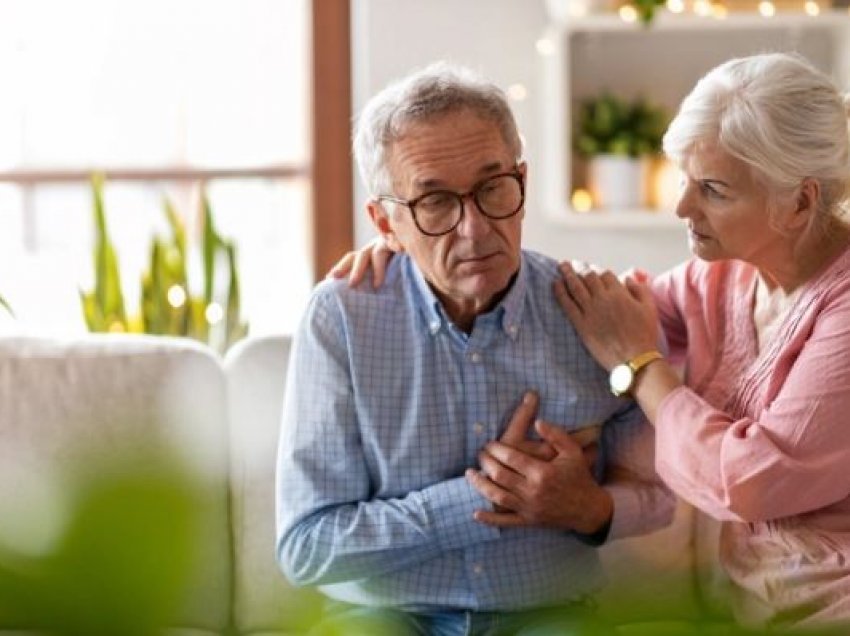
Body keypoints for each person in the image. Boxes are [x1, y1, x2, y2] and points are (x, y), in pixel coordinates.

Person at [333, 52, 850, 630]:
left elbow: (750, 482)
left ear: (800, 201)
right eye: (684, 179)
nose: (681, 206)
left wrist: (639, 366)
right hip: (754, 610)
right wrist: (415, 250)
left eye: (713, 189)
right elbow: (589, 304)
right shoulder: (722, 277)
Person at [276, 62, 674, 636]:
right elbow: (306, 547)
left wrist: (590, 508)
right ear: (385, 222)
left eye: (492, 188)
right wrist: (475, 501)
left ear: (523, 181)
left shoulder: (593, 309)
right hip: (381, 617)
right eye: (434, 202)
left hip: (548, 614)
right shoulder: (341, 317)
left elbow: (662, 495)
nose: (475, 229)